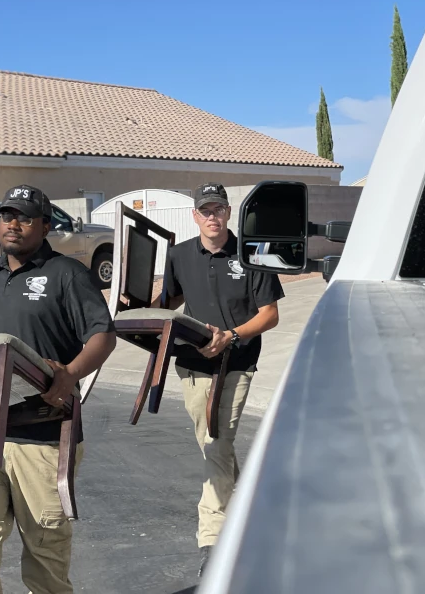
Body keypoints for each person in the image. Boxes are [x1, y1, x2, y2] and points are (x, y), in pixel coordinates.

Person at [0, 185, 116, 593]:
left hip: (44, 436)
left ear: (45, 225)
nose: (13, 225)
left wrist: (69, 374)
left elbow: (103, 335)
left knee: (46, 557)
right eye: (7, 216)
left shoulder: (68, 273)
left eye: (25, 217)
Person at [158, 182, 284, 577]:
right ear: (195, 216)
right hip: (193, 368)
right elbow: (168, 302)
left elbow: (270, 314)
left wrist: (232, 336)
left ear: (229, 213)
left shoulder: (253, 253)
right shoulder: (178, 256)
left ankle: (213, 540)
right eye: (205, 211)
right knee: (217, 449)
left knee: (217, 442)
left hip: (238, 363)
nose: (212, 217)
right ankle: (250, 515)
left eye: (218, 209)